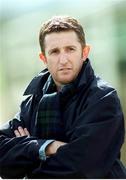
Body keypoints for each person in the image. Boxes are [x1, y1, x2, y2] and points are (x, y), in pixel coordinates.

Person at [0, 15, 126, 179]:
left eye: (70, 49)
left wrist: (26, 164)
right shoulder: (33, 102)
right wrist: (45, 147)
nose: (63, 59)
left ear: (84, 52)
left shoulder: (103, 98)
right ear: (44, 58)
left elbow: (81, 168)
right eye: (54, 52)